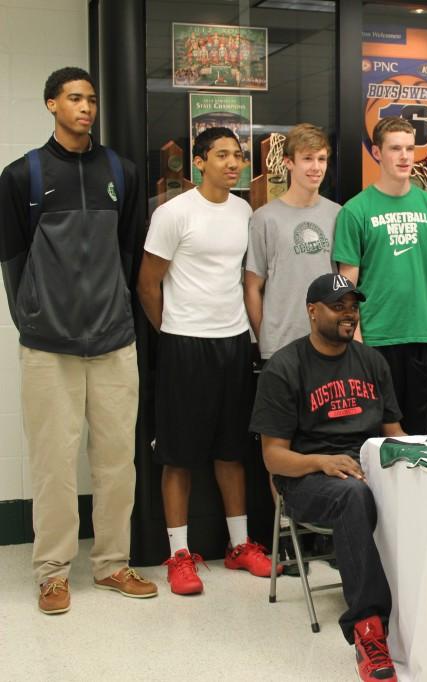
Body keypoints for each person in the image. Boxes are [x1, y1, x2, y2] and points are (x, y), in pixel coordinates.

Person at [0, 66, 157, 613]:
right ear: (50, 105)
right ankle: (52, 573)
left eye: (91, 99)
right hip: (49, 347)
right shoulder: (23, 174)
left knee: (117, 462)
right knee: (53, 463)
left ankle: (113, 565)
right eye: (73, 98)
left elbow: (131, 253)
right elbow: (13, 260)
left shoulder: (122, 170)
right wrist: (35, 319)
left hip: (114, 342)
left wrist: (115, 312)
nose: (85, 107)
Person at [138, 126, 276, 596]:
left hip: (234, 342)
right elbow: (147, 283)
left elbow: (245, 277)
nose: (233, 163)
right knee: (178, 455)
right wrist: (172, 332)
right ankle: (178, 554)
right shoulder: (173, 213)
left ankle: (238, 546)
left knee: (231, 450)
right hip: (184, 346)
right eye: (222, 155)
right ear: (200, 161)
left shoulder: (245, 211)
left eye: (238, 155)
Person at [250, 273, 403, 682]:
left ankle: (423, 608)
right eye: (339, 306)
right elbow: (273, 458)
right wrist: (321, 461)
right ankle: (368, 629)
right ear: (312, 311)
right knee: (352, 495)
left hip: (366, 465)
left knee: (426, 485)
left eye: (353, 306)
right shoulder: (284, 367)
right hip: (305, 478)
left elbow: (394, 433)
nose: (349, 314)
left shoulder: (372, 361)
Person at [333, 116, 427, 436]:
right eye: (395, 148)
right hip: (376, 338)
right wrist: (355, 345)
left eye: (410, 149)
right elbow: (347, 287)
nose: (404, 156)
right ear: (376, 152)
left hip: (423, 337)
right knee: (376, 432)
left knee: (419, 432)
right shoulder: (355, 211)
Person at [245, 123, 340, 361]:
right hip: (281, 345)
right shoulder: (264, 218)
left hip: (329, 340)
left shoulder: (339, 215)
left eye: (322, 159)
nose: (316, 167)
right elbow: (252, 286)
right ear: (288, 162)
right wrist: (264, 337)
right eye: (307, 158)